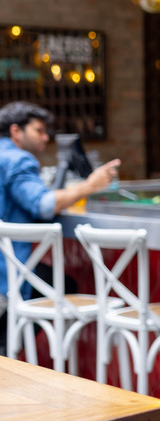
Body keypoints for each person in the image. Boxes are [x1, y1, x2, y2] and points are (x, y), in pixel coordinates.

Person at [0, 101, 120, 353]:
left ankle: (10, 343)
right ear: (15, 131)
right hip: (5, 276)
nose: (46, 137)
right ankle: (9, 344)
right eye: (39, 130)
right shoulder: (18, 159)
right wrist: (89, 185)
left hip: (7, 269)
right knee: (63, 285)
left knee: (58, 283)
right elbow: (43, 205)